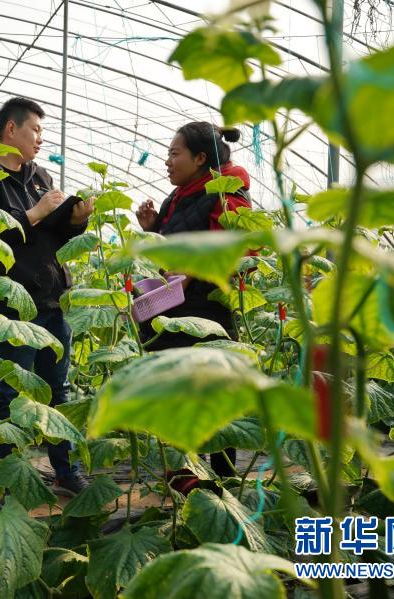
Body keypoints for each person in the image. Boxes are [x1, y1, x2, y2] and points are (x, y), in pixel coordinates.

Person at [0, 97, 94, 496]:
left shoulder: (40, 176)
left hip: (53, 298)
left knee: (57, 390)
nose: (40, 138)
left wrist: (76, 219)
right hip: (13, 303)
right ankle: (11, 475)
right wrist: (34, 213)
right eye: (35, 129)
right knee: (12, 390)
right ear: (10, 129)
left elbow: (55, 235)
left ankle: (65, 471)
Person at [136, 122, 252, 480]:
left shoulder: (227, 193)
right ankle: (187, 477)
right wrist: (153, 228)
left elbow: (241, 254)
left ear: (200, 158)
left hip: (207, 316)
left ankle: (222, 484)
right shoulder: (178, 196)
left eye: (175, 153)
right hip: (174, 315)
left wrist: (195, 269)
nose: (167, 161)